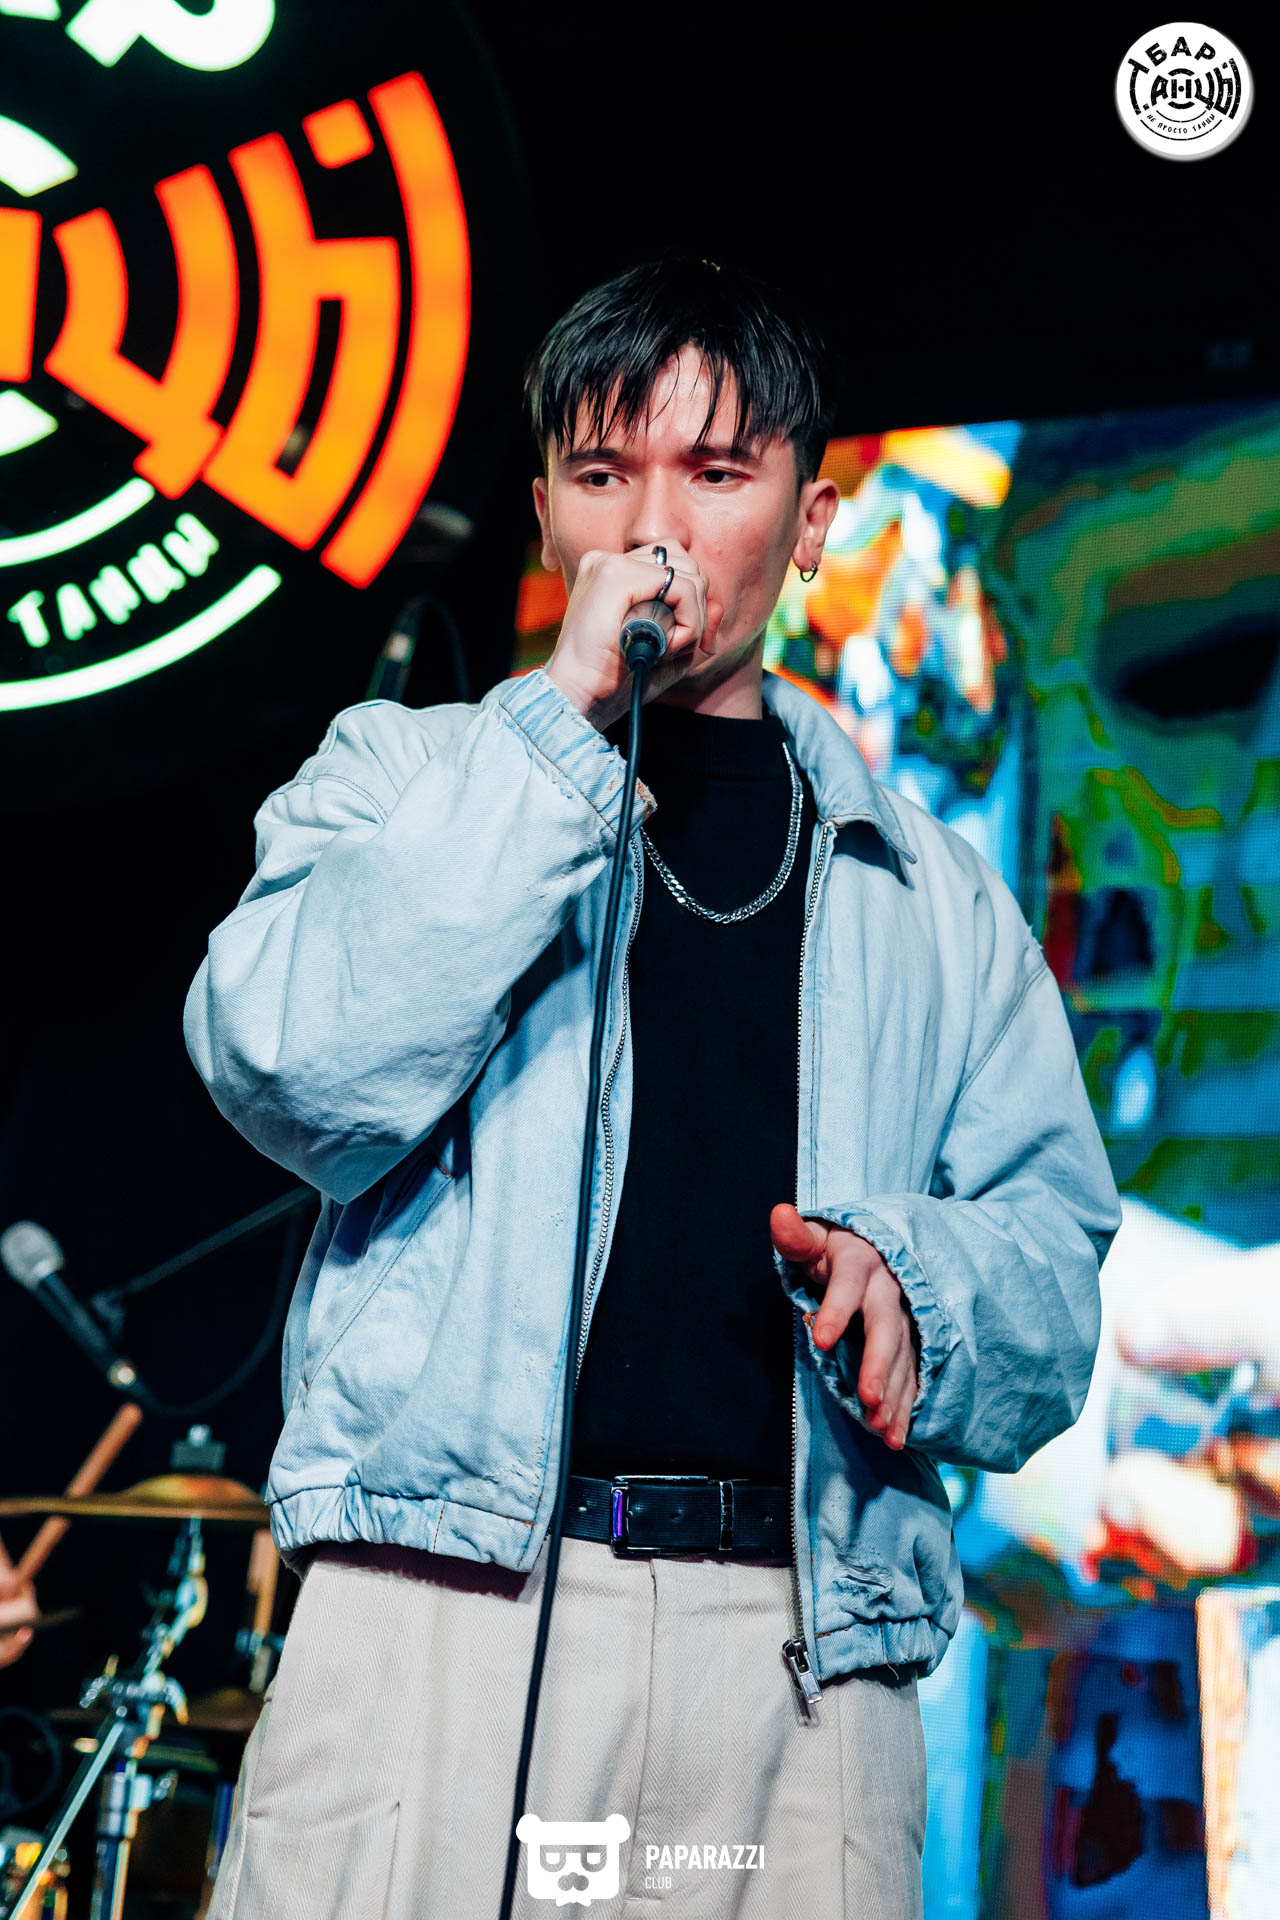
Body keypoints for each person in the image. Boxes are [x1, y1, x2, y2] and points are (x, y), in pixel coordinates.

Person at [184, 255, 1123, 1918]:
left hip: (802, 1662)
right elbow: (294, 1067)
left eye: (718, 473)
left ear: (814, 522)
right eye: (606, 475)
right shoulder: (400, 777)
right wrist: (563, 721)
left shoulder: (937, 893)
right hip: (440, 1610)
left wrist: (920, 1282)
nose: (658, 530)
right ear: (548, 516)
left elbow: (1055, 1276)